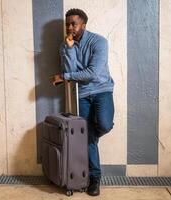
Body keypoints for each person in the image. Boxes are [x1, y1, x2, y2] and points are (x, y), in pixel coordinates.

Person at [51, 8, 115, 196]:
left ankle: (91, 136)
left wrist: (64, 76)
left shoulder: (99, 42)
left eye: (74, 24)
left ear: (83, 25)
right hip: (82, 93)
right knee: (85, 137)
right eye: (67, 24)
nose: (69, 27)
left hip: (102, 90)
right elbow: (72, 74)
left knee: (103, 125)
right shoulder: (65, 46)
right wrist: (70, 50)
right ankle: (95, 179)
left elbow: (92, 73)